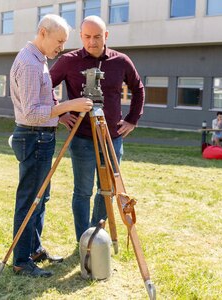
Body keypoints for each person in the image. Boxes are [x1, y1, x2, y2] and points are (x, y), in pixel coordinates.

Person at [9, 14, 93, 277]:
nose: (62, 48)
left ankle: (34, 250)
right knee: (30, 201)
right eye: (59, 41)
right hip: (34, 136)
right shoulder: (31, 64)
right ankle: (22, 261)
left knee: (40, 198)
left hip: (41, 137)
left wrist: (60, 110)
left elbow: (43, 102)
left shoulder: (39, 59)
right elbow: (33, 113)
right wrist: (70, 105)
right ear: (43, 33)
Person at [50, 15, 144, 242]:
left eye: (97, 36)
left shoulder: (121, 61)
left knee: (107, 190)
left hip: (112, 138)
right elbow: (46, 86)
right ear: (81, 36)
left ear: (106, 36)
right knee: (82, 191)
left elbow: (138, 88)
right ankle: (83, 240)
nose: (92, 42)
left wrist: (132, 119)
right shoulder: (68, 61)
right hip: (81, 138)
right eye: (87, 37)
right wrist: (61, 113)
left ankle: (98, 236)